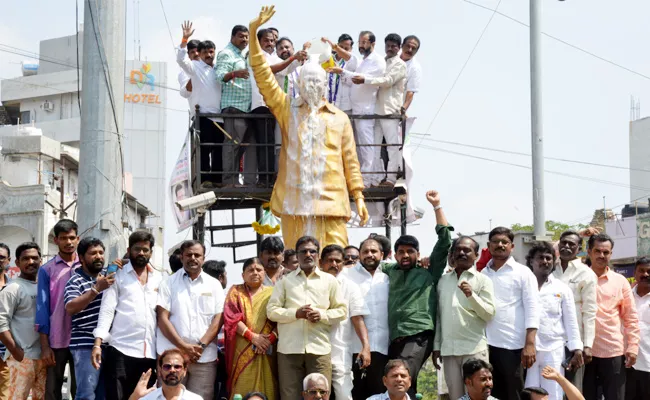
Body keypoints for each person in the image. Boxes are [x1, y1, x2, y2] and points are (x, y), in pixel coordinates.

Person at [248, 6, 369, 248]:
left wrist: (359, 196)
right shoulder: (287, 110)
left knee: (336, 262)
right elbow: (262, 74)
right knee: (295, 264)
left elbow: (350, 161)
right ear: (299, 84)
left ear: (325, 85)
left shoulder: (339, 118)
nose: (312, 85)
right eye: (307, 81)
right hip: (295, 205)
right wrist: (253, 32)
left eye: (317, 81)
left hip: (332, 203)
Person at [382, 190, 451, 398]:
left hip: (419, 335)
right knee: (399, 382)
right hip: (394, 337)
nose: (405, 255)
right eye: (401, 252)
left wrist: (437, 205)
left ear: (418, 254)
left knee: (401, 375)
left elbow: (445, 241)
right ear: (395, 255)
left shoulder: (428, 272)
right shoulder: (388, 271)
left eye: (410, 252)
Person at [267, 235, 347, 400]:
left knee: (320, 396)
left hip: (319, 348)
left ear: (318, 255)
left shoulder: (330, 281)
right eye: (303, 251)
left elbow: (342, 311)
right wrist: (296, 313)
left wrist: (322, 315)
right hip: (289, 349)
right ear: (297, 255)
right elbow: (272, 311)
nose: (308, 255)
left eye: (312, 251)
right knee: (290, 396)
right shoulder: (285, 282)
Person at [92, 231, 163, 400]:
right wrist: (97, 343)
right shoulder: (116, 274)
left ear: (151, 252)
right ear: (129, 249)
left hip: (150, 353)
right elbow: (107, 309)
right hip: (121, 350)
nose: (141, 253)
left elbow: (162, 317)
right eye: (137, 249)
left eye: (145, 250)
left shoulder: (159, 279)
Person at [156, 240, 225, 400]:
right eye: (188, 254)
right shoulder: (168, 283)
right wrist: (184, 347)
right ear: (181, 257)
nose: (193, 258)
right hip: (172, 357)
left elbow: (218, 319)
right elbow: (162, 318)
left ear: (203, 258)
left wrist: (200, 346)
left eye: (197, 255)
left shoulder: (214, 285)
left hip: (204, 357)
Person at [433, 234, 496, 400]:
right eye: (458, 250)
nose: (462, 253)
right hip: (449, 350)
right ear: (452, 254)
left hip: (474, 349)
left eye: (467, 250)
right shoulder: (443, 281)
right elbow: (440, 316)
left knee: (478, 395)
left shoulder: (483, 280)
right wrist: (437, 346)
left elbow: (489, 314)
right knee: (456, 397)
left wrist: (471, 295)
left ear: (476, 255)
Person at [482, 227, 540, 400]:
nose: (500, 245)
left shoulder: (523, 272)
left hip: (514, 346)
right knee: (492, 394)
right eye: (495, 242)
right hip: (487, 346)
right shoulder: (482, 274)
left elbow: (533, 308)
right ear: (488, 245)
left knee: (514, 393)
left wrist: (529, 344)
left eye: (504, 242)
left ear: (511, 246)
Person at [524, 242, 583, 400]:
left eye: (548, 258)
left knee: (554, 392)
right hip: (529, 349)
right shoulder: (523, 285)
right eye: (540, 258)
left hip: (554, 348)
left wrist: (576, 348)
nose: (545, 261)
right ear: (531, 261)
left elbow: (571, 321)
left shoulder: (562, 288)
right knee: (530, 392)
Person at [584, 233, 639, 400]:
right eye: (597, 251)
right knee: (583, 396)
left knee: (615, 396)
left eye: (606, 252)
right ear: (589, 252)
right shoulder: (578, 278)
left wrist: (633, 347)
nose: (601, 255)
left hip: (613, 351)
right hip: (584, 351)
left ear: (611, 254)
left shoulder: (620, 281)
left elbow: (630, 317)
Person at [328, 30, 385, 187]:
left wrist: (342, 71)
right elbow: (351, 61)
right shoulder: (364, 61)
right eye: (360, 42)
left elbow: (359, 79)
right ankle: (365, 177)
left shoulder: (377, 61)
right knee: (360, 147)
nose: (361, 45)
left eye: (364, 42)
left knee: (367, 146)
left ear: (373, 43)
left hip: (366, 109)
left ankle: (368, 179)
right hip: (357, 109)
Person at [351, 33, 406, 187]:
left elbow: (387, 81)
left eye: (394, 46)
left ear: (399, 48)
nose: (390, 48)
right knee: (373, 147)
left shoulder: (400, 64)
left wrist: (365, 79)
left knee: (391, 146)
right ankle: (373, 179)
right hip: (376, 109)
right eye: (388, 45)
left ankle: (391, 179)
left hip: (390, 111)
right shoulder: (382, 61)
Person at [64, 237, 115, 400]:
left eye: (101, 253)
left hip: (108, 345)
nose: (99, 256)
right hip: (85, 345)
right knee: (86, 395)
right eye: (93, 253)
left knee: (103, 395)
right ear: (81, 258)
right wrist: (95, 290)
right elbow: (70, 308)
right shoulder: (75, 281)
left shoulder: (108, 276)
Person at [339, 237, 390, 399]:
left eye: (374, 251)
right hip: (354, 347)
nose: (369, 254)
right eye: (365, 251)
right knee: (356, 394)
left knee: (379, 394)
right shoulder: (346, 275)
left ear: (382, 254)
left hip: (383, 347)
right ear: (359, 255)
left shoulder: (387, 278)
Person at [319, 244, 371, 400]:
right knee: (317, 393)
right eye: (330, 261)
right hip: (315, 349)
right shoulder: (311, 284)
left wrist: (366, 347)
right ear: (321, 263)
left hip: (340, 350)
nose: (334, 264)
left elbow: (357, 317)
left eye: (338, 261)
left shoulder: (350, 287)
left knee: (344, 394)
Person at [36, 218, 80, 400]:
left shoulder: (87, 266)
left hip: (82, 339)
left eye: (71, 237)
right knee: (53, 392)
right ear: (56, 240)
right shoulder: (47, 270)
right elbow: (42, 308)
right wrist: (45, 347)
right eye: (63, 238)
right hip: (56, 339)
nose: (68, 242)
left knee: (82, 391)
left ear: (77, 238)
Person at [177, 22, 223, 188]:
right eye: (205, 52)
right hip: (203, 115)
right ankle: (205, 180)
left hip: (220, 116)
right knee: (205, 148)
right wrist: (184, 39)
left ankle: (218, 180)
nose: (208, 55)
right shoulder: (194, 67)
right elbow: (181, 60)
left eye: (211, 52)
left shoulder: (219, 68)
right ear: (200, 55)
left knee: (218, 149)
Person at [224, 258, 278, 400]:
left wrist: (269, 339)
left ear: (264, 272)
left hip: (267, 349)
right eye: (250, 270)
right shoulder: (235, 291)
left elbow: (282, 319)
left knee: (269, 387)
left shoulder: (274, 292)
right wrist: (253, 337)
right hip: (242, 349)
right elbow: (231, 318)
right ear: (243, 275)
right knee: (241, 389)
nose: (255, 272)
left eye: (258, 269)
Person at [0, 242, 46, 399]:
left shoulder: (42, 286)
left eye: (35, 258)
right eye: (26, 258)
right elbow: (1, 323)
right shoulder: (13, 289)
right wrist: (16, 351)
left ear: (41, 260)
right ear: (17, 262)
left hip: (43, 357)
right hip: (22, 358)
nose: (31, 262)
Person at [553, 230, 597, 392]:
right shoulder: (550, 267)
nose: (566, 246)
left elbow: (590, 312)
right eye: (563, 242)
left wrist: (587, 345)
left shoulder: (586, 273)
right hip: (550, 340)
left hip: (574, 343)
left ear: (579, 249)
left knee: (572, 389)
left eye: (571, 244)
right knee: (551, 388)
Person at [215, 24, 255, 187]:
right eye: (241, 36)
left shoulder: (241, 55)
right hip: (233, 106)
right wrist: (235, 74)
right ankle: (229, 181)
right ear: (232, 37)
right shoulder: (226, 53)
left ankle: (234, 179)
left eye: (246, 37)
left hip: (244, 108)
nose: (244, 39)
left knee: (240, 146)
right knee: (232, 144)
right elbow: (218, 76)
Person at [626, 257, 650, 399]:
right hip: (625, 364)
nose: (645, 274)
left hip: (648, 365)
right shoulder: (625, 295)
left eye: (649, 271)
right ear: (634, 273)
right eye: (641, 270)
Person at [325, 34, 357, 113]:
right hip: (327, 104)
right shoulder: (327, 60)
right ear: (337, 45)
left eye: (346, 48)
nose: (343, 50)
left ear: (351, 49)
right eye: (341, 47)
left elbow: (352, 81)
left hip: (345, 107)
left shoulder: (353, 62)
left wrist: (341, 72)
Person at [0, 242, 12, 396]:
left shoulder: (14, 287)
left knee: (6, 395)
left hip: (6, 352)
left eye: (1, 257)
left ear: (8, 260)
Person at [399, 35, 421, 114]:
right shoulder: (392, 56)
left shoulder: (415, 68)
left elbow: (410, 92)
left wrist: (403, 109)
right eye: (407, 46)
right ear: (401, 46)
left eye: (413, 48)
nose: (410, 50)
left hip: (396, 108)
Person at [178, 38, 201, 110]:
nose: (196, 54)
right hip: (198, 115)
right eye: (192, 52)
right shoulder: (184, 72)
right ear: (188, 55)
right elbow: (185, 93)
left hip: (216, 115)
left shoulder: (211, 68)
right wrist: (195, 76)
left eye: (198, 51)